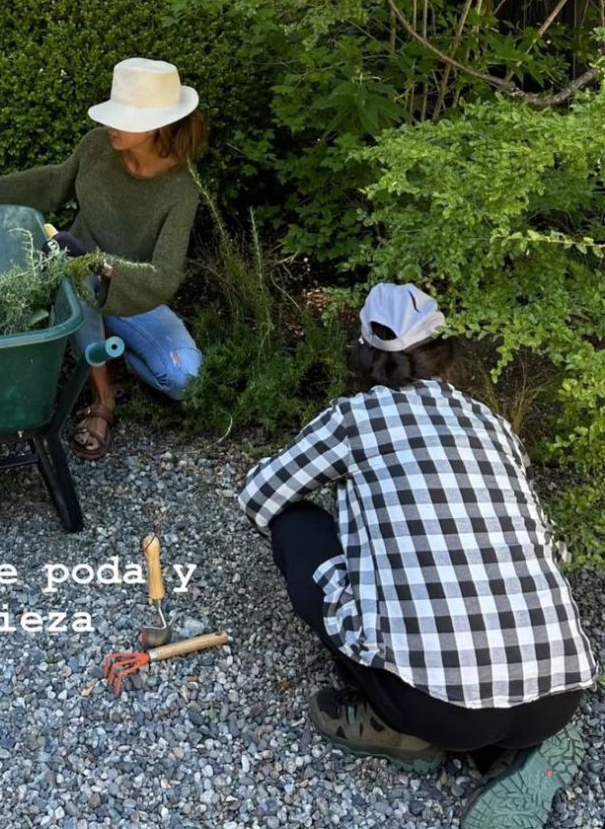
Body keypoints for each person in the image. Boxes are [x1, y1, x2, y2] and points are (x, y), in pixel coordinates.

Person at [238, 283, 597, 829]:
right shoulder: (491, 423)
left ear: (361, 353)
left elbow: (259, 494)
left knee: (294, 521)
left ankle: (397, 727)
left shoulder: (352, 419)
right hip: (557, 697)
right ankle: (525, 736)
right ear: (443, 354)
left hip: (440, 709)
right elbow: (547, 541)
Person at [0, 57, 206, 461]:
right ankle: (103, 401)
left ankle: (109, 357)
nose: (112, 125)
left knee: (185, 379)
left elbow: (166, 275)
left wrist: (101, 264)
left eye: (126, 118)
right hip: (75, 281)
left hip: (132, 295)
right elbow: (54, 183)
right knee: (78, 279)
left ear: (159, 125)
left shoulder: (181, 189)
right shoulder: (97, 146)